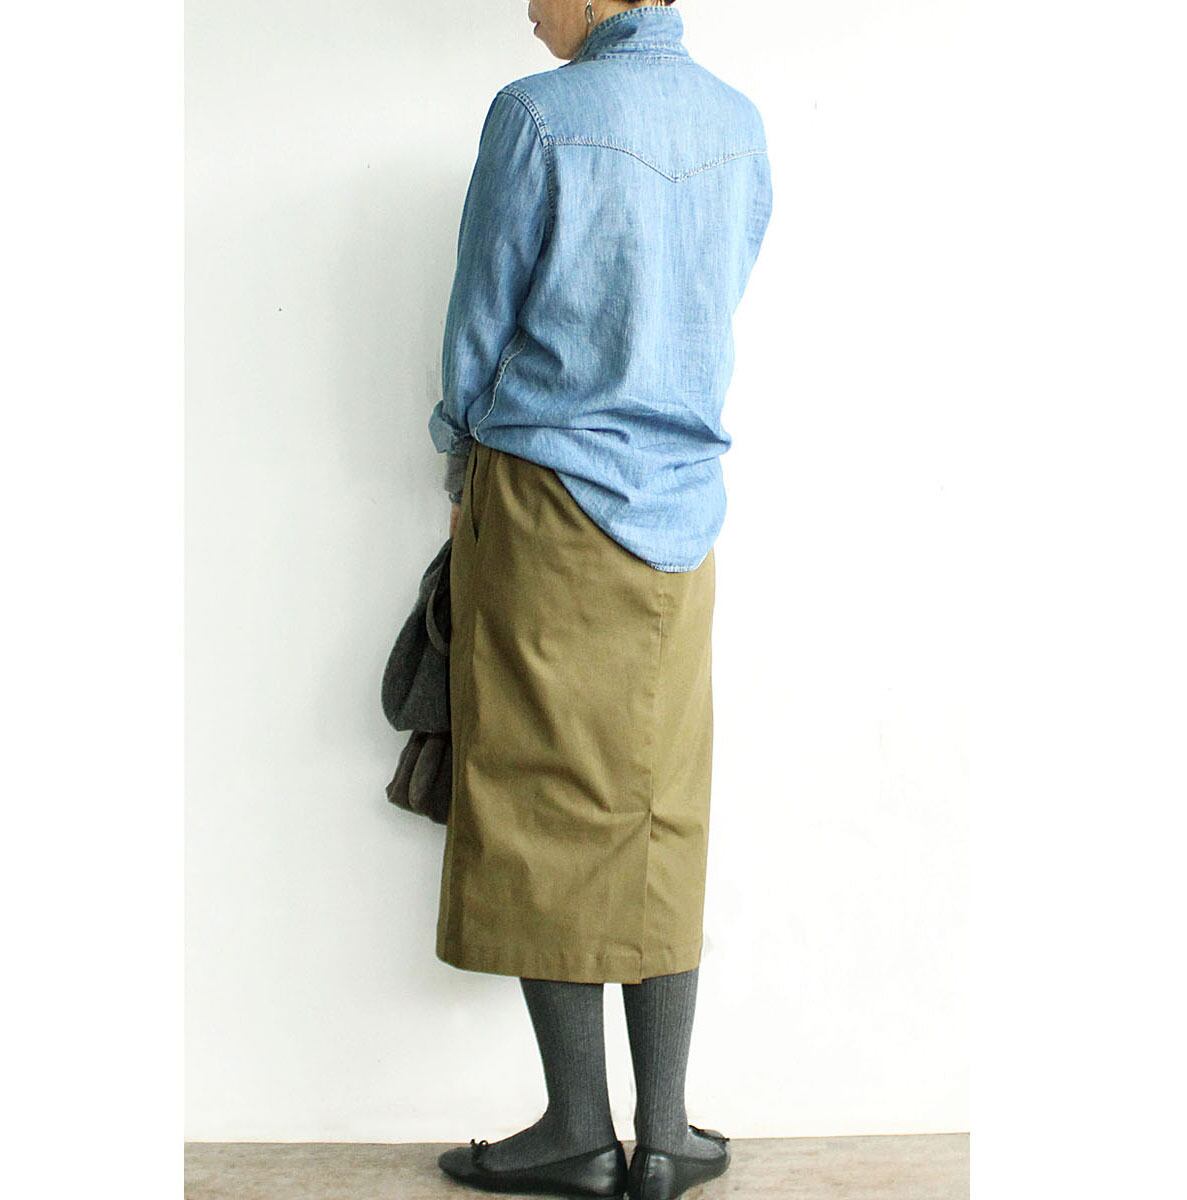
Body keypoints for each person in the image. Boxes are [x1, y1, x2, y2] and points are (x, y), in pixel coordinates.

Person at [427, 2, 772, 1197]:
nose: (526, 10)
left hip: (549, 496)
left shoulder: (537, 116)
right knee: (660, 800)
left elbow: (480, 324)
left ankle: (577, 1132)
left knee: (539, 794)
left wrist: (459, 456)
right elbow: (715, 300)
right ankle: (665, 1136)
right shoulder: (739, 124)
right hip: (682, 514)